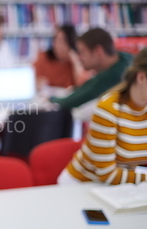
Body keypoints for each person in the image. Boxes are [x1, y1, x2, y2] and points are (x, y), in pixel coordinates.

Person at [58, 48, 147, 185]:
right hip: (84, 185)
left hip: (122, 187)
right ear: (141, 77)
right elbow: (107, 175)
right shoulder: (108, 109)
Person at [50, 28, 133, 110]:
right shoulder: (124, 58)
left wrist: (52, 99)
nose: (79, 57)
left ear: (98, 51)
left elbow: (76, 100)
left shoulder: (115, 75)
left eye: (82, 52)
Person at [33, 24, 93, 89]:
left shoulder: (79, 60)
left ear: (71, 43)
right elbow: (31, 79)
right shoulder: (44, 57)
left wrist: (74, 60)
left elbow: (82, 84)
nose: (58, 45)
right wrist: (38, 83)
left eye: (63, 41)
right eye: (56, 40)